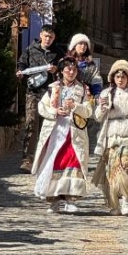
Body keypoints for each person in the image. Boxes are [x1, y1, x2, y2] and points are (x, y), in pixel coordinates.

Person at [32, 57, 92, 214]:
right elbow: (41, 107)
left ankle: (71, 199)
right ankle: (54, 200)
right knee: (55, 163)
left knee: (73, 162)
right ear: (61, 71)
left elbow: (88, 111)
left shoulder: (83, 89)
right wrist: (54, 111)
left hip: (74, 132)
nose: (71, 72)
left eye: (74, 70)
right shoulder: (53, 88)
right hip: (56, 131)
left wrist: (76, 106)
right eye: (68, 69)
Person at [92, 60, 128, 216]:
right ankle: (114, 203)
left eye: (123, 76)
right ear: (113, 77)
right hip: (111, 137)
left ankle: (125, 199)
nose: (120, 79)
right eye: (117, 76)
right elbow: (97, 117)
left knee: (126, 169)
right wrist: (102, 107)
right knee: (112, 172)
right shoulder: (106, 93)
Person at [16, 25, 65, 173]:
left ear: (54, 37)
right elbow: (21, 64)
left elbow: (65, 69)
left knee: (49, 126)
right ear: (40, 35)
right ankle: (27, 159)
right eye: (45, 36)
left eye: (50, 37)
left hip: (51, 94)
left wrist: (56, 69)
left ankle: (46, 158)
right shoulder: (31, 50)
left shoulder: (58, 52)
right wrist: (20, 72)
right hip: (33, 92)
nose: (48, 39)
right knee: (31, 124)